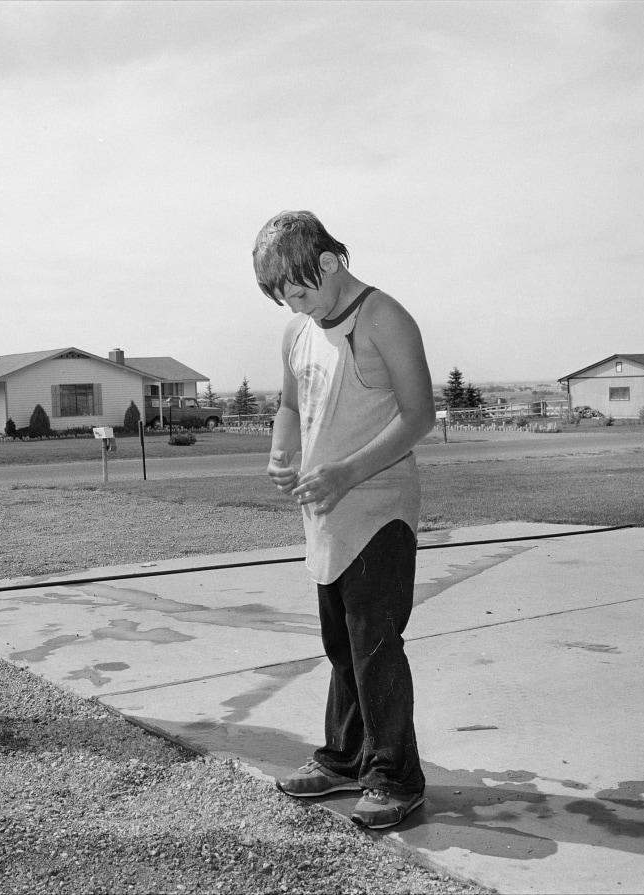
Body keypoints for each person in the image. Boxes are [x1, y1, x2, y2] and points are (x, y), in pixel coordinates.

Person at [253, 210, 434, 829]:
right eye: (282, 298)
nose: (294, 306)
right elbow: (288, 405)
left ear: (330, 262)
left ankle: (395, 778)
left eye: (299, 290)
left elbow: (417, 418)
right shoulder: (298, 332)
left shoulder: (384, 318)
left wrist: (345, 473)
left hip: (379, 509)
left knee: (375, 645)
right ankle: (343, 759)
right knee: (342, 645)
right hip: (324, 511)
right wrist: (282, 455)